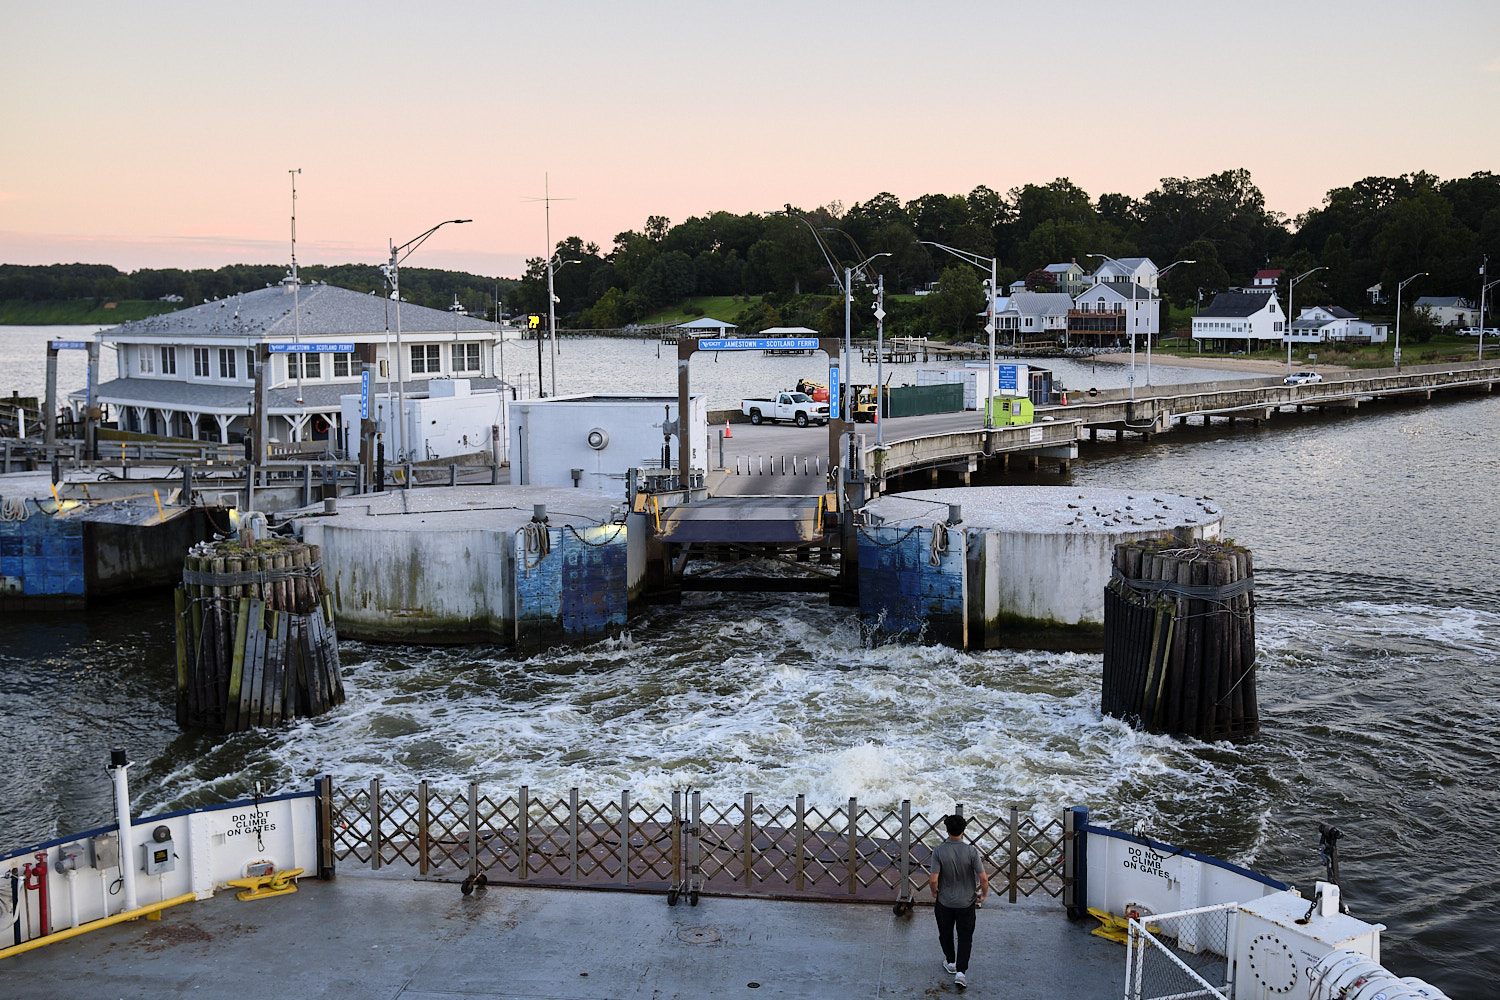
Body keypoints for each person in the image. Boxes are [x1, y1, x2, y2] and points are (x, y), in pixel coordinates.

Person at [928, 813, 989, 990]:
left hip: (945, 901)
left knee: (945, 933)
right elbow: (983, 879)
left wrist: (934, 893)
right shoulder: (971, 851)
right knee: (965, 936)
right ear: (963, 830)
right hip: (966, 902)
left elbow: (933, 879)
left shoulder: (939, 851)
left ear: (946, 830)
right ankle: (961, 973)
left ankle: (951, 962)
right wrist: (983, 895)